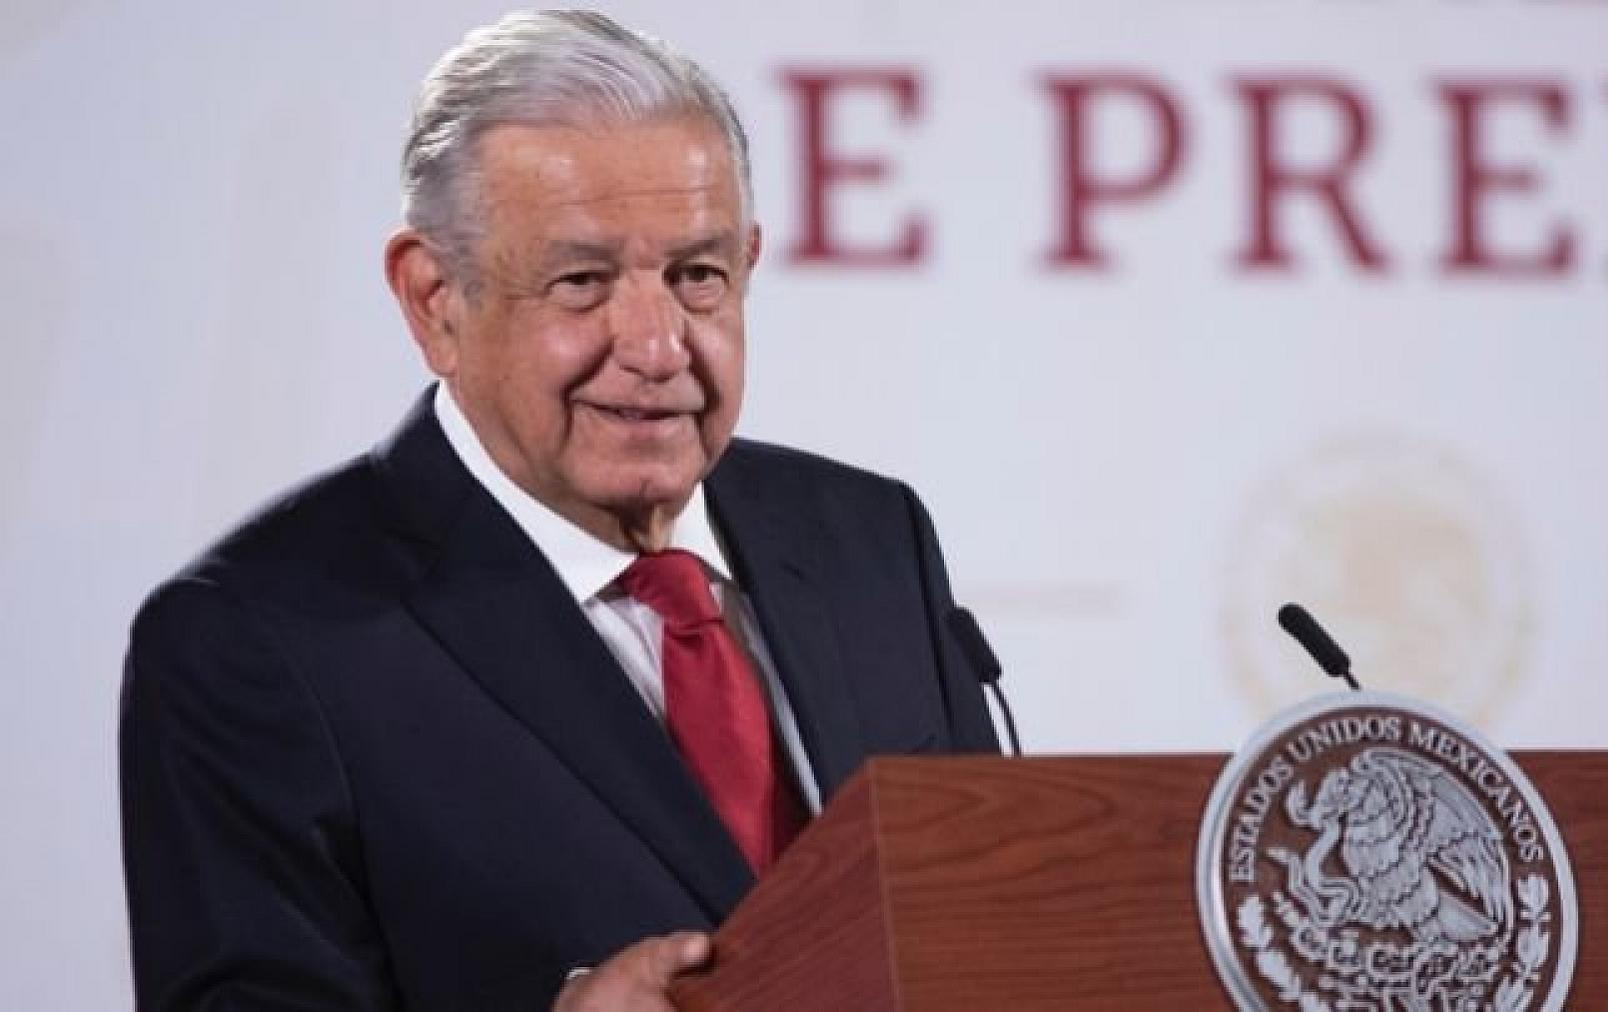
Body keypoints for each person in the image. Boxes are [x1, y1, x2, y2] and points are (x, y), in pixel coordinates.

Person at [118, 10, 999, 1011]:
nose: (657, 346)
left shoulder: (869, 539)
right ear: (434, 298)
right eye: (582, 283)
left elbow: (984, 925)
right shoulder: (257, 641)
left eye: (696, 276)